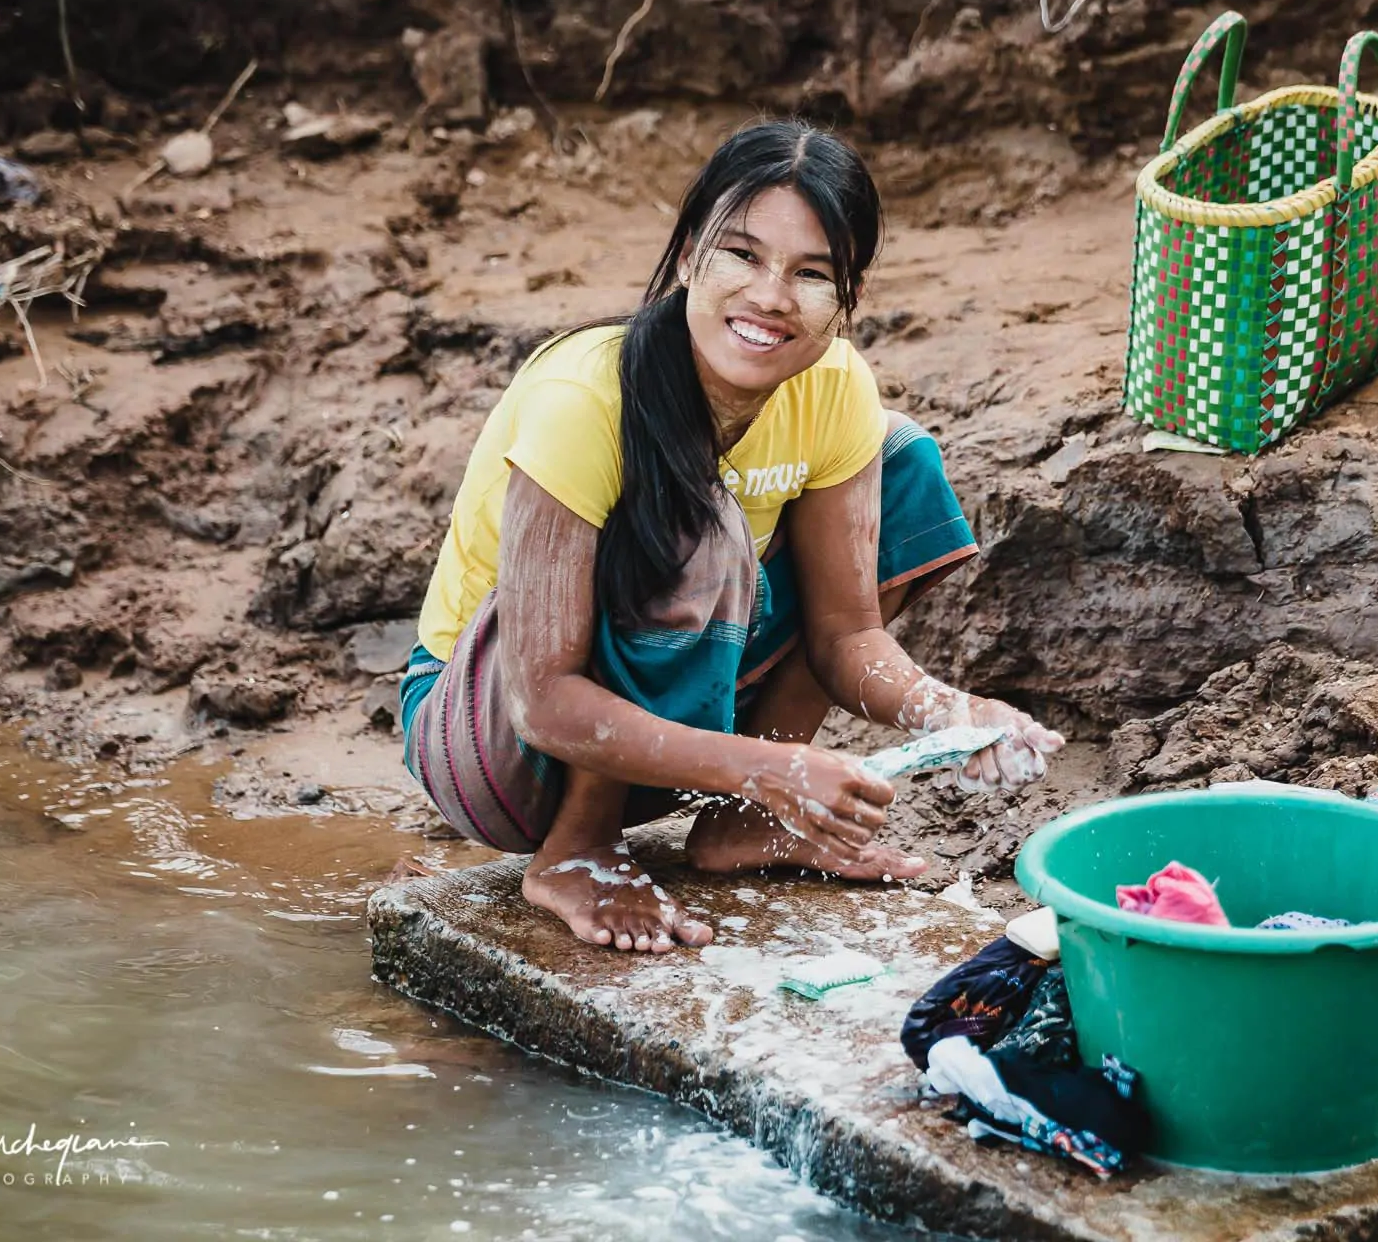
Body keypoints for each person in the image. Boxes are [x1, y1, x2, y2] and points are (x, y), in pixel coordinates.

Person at [397, 121, 1061, 953]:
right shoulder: (587, 396)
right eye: (741, 256)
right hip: (493, 738)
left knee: (902, 462)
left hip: (664, 725)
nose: (771, 297)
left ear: (846, 299)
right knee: (693, 524)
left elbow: (845, 635)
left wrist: (952, 714)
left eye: (811, 273)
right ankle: (580, 851)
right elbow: (542, 700)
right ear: (686, 258)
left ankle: (738, 825)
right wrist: (774, 771)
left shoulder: (832, 386)